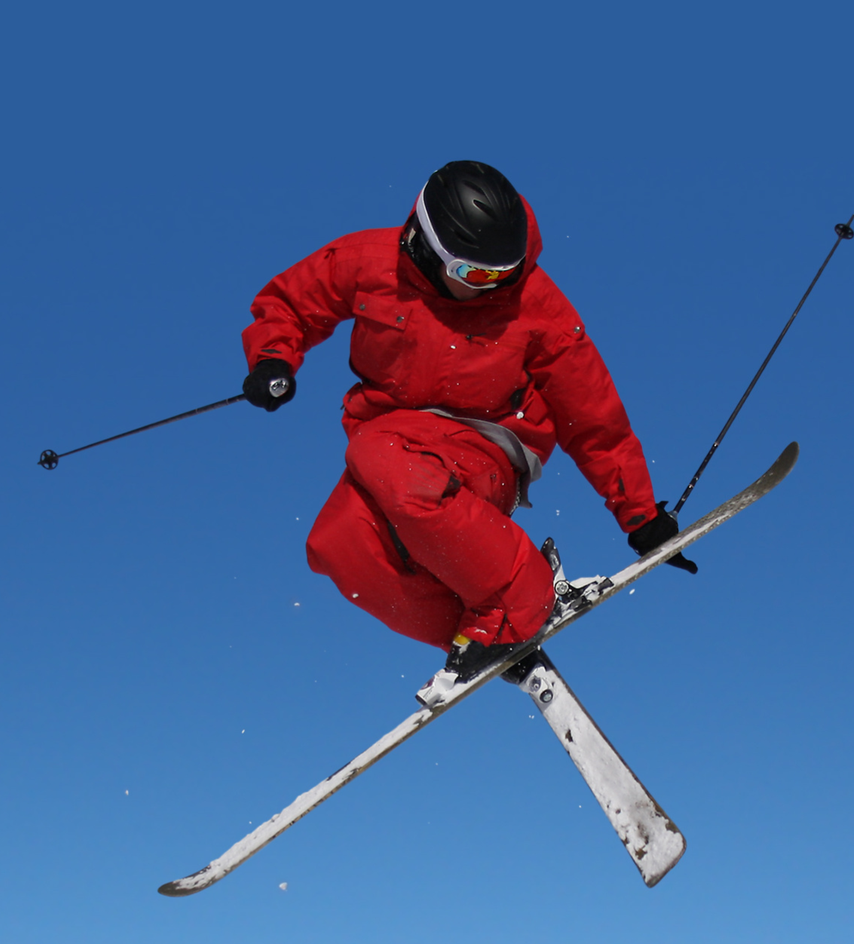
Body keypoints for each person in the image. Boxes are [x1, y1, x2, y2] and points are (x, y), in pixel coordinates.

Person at [241, 160, 691, 684]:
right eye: (475, 275)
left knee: (378, 452)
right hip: (393, 449)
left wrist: (640, 516)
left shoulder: (532, 302)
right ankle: (481, 634)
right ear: (426, 246)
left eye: (505, 273)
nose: (491, 288)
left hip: (488, 445)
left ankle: (522, 596)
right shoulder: (369, 262)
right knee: (338, 545)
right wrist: (273, 358)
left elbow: (593, 416)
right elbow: (293, 302)